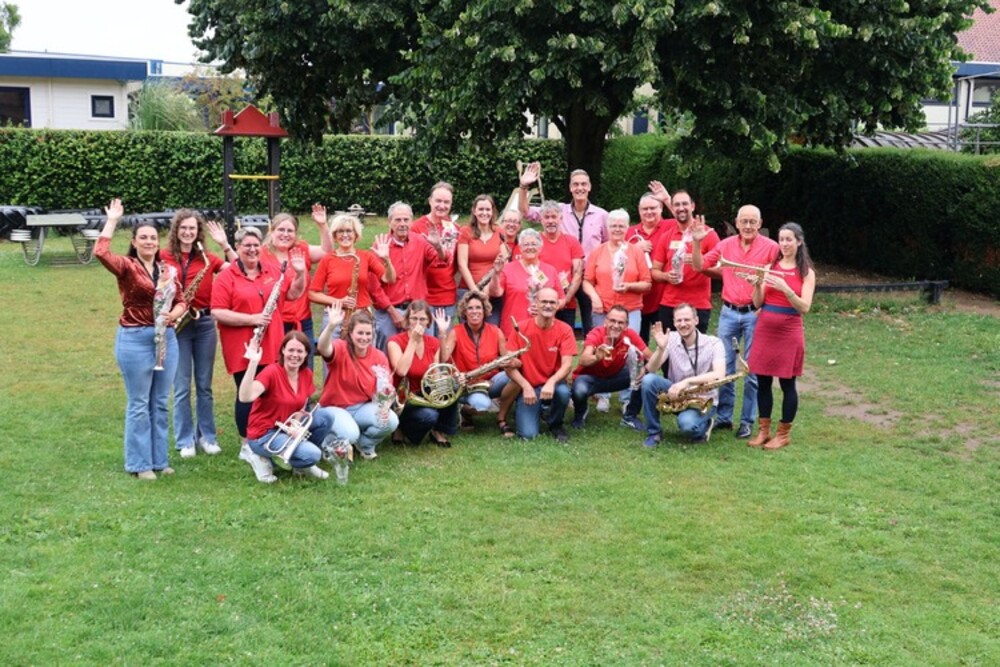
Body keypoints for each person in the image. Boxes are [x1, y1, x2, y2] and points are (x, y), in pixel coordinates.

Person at [95, 198, 186, 480]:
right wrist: (112, 221)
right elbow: (100, 252)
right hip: (135, 338)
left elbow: (182, 301)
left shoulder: (168, 270)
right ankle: (139, 464)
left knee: (160, 402)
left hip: (166, 339)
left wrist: (174, 314)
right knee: (138, 403)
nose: (149, 242)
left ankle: (159, 460)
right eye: (143, 238)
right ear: (134, 242)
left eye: (153, 238)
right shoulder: (126, 266)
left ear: (158, 243)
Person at [211, 226, 307, 476]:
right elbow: (217, 311)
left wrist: (300, 273)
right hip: (244, 346)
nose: (252, 250)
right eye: (247, 245)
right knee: (247, 394)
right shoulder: (227, 277)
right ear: (238, 247)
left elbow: (294, 293)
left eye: (256, 245)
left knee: (270, 394)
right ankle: (246, 444)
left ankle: (269, 437)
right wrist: (252, 318)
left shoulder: (272, 271)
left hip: (272, 343)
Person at [692, 205, 780, 439]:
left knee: (752, 370)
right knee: (725, 367)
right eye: (744, 221)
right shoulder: (726, 245)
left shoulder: (772, 248)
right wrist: (697, 243)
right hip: (729, 312)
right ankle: (724, 417)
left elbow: (781, 278)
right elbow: (700, 266)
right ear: (737, 223)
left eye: (753, 222)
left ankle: (747, 421)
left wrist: (766, 305)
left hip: (755, 314)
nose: (748, 226)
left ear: (760, 224)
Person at [160, 210, 233, 459]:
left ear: (198, 231)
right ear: (176, 230)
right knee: (181, 386)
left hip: (204, 324)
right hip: (177, 325)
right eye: (183, 228)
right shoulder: (164, 256)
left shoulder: (207, 258)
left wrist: (225, 245)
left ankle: (207, 437)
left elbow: (238, 268)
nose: (188, 232)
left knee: (204, 385)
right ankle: (185, 440)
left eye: (192, 228)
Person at [746, 222, 816, 450]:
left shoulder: (806, 273)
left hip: (789, 330)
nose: (784, 244)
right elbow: (758, 303)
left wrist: (786, 288)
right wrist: (757, 286)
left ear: (799, 242)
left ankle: (783, 434)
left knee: (787, 383)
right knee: (763, 381)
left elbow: (804, 307)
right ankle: (763, 431)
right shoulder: (769, 267)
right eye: (781, 239)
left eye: (789, 239)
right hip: (765, 328)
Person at [519, 164, 607, 334]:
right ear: (570, 188)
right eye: (575, 184)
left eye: (583, 184)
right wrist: (524, 186)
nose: (579, 188)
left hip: (590, 278)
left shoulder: (602, 215)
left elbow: (608, 245)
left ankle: (592, 348)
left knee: (592, 325)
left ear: (589, 187)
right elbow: (525, 211)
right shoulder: (559, 210)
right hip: (564, 277)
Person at [239, 331, 333, 482]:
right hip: (264, 434)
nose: (295, 355)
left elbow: (301, 407)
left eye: (300, 351)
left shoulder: (306, 374)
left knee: (326, 417)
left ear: (306, 354)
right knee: (313, 454)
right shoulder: (271, 372)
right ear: (283, 350)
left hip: (285, 427)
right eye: (291, 350)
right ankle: (262, 456)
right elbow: (245, 397)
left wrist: (296, 427)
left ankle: (300, 461)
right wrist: (253, 363)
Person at [316, 305, 399, 460]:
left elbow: (386, 388)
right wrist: (331, 326)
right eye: (360, 333)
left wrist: (385, 406)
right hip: (336, 407)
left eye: (368, 333)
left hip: (362, 407)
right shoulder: (341, 347)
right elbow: (323, 348)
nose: (364, 338)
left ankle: (365, 444)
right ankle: (326, 443)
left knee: (391, 421)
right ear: (351, 334)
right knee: (350, 434)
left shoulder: (379, 356)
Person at [638, 305, 726, 447]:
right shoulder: (671, 338)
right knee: (648, 380)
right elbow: (652, 369)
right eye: (679, 320)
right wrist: (660, 349)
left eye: (687, 320)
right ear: (674, 322)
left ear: (696, 320)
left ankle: (705, 424)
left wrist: (687, 382)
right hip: (677, 394)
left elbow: (719, 375)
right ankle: (654, 432)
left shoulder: (714, 343)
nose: (683, 324)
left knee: (687, 425)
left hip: (703, 401)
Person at [262, 208, 334, 368]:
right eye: (281, 230)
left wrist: (322, 225)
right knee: (277, 367)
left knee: (305, 366)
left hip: (302, 320)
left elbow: (327, 251)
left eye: (290, 231)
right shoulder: (262, 254)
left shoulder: (300, 249)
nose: (285, 234)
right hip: (274, 322)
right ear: (272, 231)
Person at [504, 287, 577, 442]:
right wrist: (525, 386)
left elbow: (567, 365)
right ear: (536, 303)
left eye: (552, 302)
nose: (548, 306)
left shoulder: (565, 330)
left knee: (563, 392)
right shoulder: (520, 328)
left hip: (553, 384)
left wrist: (551, 382)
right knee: (528, 435)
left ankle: (555, 423)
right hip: (529, 385)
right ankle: (526, 408)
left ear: (557, 305)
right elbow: (508, 364)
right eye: (544, 301)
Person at [308, 212, 395, 342]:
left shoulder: (366, 256)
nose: (345, 235)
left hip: (362, 317)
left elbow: (389, 279)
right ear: (335, 235)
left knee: (364, 354)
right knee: (333, 353)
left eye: (349, 231)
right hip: (336, 317)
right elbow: (312, 294)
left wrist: (387, 259)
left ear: (356, 235)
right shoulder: (328, 259)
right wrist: (339, 302)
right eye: (340, 231)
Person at [387, 301, 460, 446]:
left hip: (424, 392)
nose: (418, 323)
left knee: (452, 386)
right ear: (407, 320)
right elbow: (401, 371)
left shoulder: (433, 342)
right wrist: (413, 341)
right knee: (429, 416)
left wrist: (450, 380)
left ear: (428, 322)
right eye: (414, 318)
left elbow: (436, 373)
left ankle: (438, 430)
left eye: (422, 319)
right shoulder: (394, 341)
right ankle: (402, 427)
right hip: (403, 398)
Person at [375, 201, 445, 349]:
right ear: (389, 222)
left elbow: (441, 261)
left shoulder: (420, 241)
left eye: (406, 220)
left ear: (412, 221)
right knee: (387, 353)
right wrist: (393, 312)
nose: (402, 224)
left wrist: (438, 246)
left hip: (417, 309)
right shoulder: (381, 246)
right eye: (398, 220)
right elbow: (374, 287)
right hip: (390, 310)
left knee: (423, 352)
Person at [650, 188, 720, 334]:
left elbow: (722, 272)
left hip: (698, 305)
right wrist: (666, 276)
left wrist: (700, 265)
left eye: (685, 204)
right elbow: (655, 271)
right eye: (677, 205)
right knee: (668, 346)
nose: (681, 208)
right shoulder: (667, 236)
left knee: (696, 347)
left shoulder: (708, 234)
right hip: (670, 304)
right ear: (672, 208)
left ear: (692, 206)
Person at [570, 305, 651, 430]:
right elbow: (583, 360)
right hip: (591, 379)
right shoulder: (596, 333)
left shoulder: (629, 334)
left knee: (645, 377)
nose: (616, 325)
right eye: (612, 321)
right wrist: (597, 357)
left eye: (620, 322)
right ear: (605, 321)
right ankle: (580, 413)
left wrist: (645, 367)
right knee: (579, 389)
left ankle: (630, 416)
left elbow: (649, 356)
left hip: (615, 377)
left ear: (626, 325)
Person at [440, 291, 513, 429]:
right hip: (466, 384)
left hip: (490, 383)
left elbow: (508, 360)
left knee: (512, 376)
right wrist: (442, 334)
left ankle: (502, 417)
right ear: (464, 312)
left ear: (484, 311)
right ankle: (464, 409)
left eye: (478, 307)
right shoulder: (455, 332)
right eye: (470, 308)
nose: (474, 312)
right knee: (482, 406)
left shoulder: (496, 331)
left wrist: (511, 362)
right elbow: (443, 359)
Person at [488, 228, 565, 341]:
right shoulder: (508, 268)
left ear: (540, 248)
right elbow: (495, 293)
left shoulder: (550, 270)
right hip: (514, 329)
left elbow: (562, 299)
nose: (530, 247)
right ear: (520, 248)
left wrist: (547, 307)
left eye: (533, 244)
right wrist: (496, 274)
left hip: (544, 328)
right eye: (526, 244)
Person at [412, 182, 460, 333]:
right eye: (438, 201)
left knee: (444, 341)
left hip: (447, 296)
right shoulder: (416, 227)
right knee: (424, 342)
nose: (442, 206)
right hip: (424, 296)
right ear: (430, 201)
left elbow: (456, 263)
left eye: (446, 202)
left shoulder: (454, 229)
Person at [625, 191, 674, 341]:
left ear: (661, 208)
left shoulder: (671, 225)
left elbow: (688, 220)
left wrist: (667, 199)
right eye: (645, 209)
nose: (649, 212)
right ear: (639, 211)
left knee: (667, 342)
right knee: (638, 343)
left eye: (653, 208)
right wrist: (634, 248)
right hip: (637, 298)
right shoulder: (630, 232)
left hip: (663, 296)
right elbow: (616, 258)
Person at [537, 200, 585, 330]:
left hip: (566, 304)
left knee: (564, 338)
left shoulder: (571, 242)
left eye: (554, 217)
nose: (550, 221)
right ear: (541, 220)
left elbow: (577, 274)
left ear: (561, 219)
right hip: (541, 304)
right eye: (546, 217)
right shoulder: (535, 242)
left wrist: (564, 300)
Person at [456, 194, 503, 300]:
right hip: (469, 290)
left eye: (488, 209)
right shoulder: (465, 231)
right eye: (481, 209)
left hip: (492, 290)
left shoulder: (499, 231)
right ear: (474, 211)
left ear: (492, 211)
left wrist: (491, 288)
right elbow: (462, 264)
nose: (484, 213)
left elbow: (504, 262)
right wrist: (475, 291)